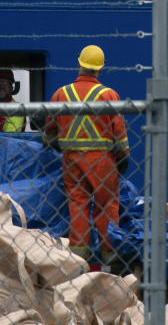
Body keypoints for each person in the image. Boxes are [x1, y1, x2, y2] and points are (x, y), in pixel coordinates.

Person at [44, 44, 129, 272]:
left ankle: (77, 265)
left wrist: (56, 141)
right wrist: (123, 157)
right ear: (100, 70)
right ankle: (111, 264)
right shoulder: (109, 95)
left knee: (78, 207)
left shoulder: (61, 94)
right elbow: (119, 133)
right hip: (103, 162)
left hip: (71, 161)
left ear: (79, 64)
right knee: (106, 208)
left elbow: (49, 132)